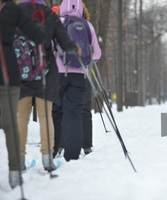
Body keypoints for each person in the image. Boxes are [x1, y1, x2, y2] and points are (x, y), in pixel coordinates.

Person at [16, 0, 81, 172]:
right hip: (44, 72)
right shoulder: (49, 14)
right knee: (46, 116)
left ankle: (19, 159)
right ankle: (47, 159)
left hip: (19, 72)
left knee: (22, 117)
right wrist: (76, 48)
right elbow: (65, 43)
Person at [0, 0, 47, 188]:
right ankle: (14, 173)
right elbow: (36, 34)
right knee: (11, 124)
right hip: (9, 72)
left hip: (9, 75)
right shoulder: (13, 9)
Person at [52, 0, 101, 161]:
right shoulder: (87, 26)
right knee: (74, 113)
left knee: (57, 111)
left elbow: (49, 48)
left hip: (58, 74)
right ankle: (72, 155)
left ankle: (55, 148)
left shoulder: (57, 22)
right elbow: (96, 54)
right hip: (80, 74)